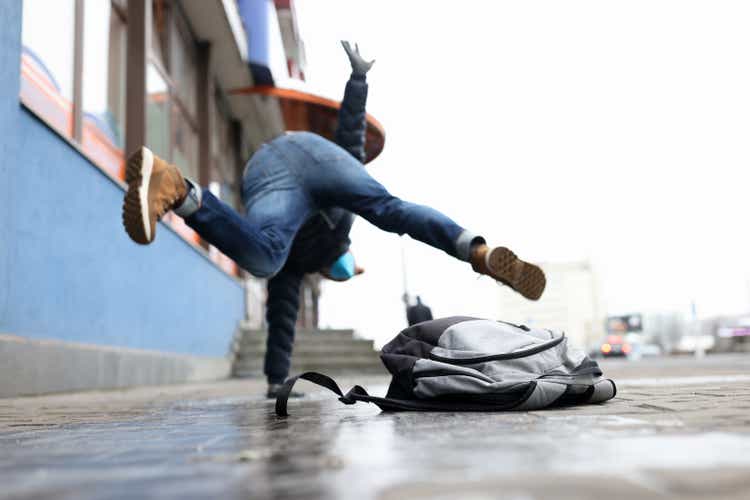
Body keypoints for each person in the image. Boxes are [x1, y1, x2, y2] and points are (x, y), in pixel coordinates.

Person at [121, 41, 546, 398]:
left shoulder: (290, 258)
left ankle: (178, 188)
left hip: (269, 167)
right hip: (305, 160)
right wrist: (357, 82)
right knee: (385, 209)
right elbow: (350, 141)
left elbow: (281, 318)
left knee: (270, 258)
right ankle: (476, 251)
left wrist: (276, 383)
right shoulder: (334, 240)